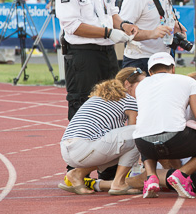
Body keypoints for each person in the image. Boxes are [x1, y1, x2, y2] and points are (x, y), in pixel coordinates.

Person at [55, 0, 138, 121]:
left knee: (114, 102)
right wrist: (108, 32)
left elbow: (112, 13)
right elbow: (73, 26)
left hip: (107, 52)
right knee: (83, 105)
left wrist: (124, 26)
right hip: (83, 55)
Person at [134, 52, 196, 199]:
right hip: (175, 140)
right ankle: (181, 174)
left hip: (143, 144)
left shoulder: (141, 86)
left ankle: (151, 177)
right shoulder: (187, 81)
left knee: (146, 132)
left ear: (150, 72)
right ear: (173, 68)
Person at [59, 67, 145, 195]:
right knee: (138, 134)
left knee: (121, 147)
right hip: (85, 147)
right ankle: (118, 183)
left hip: (67, 149)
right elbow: (135, 132)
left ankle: (77, 174)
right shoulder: (129, 100)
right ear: (127, 84)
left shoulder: (99, 97)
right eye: (142, 84)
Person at [120, 0, 185, 72]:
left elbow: (167, 11)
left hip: (164, 55)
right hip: (140, 58)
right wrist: (152, 33)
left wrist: (175, 23)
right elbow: (123, 31)